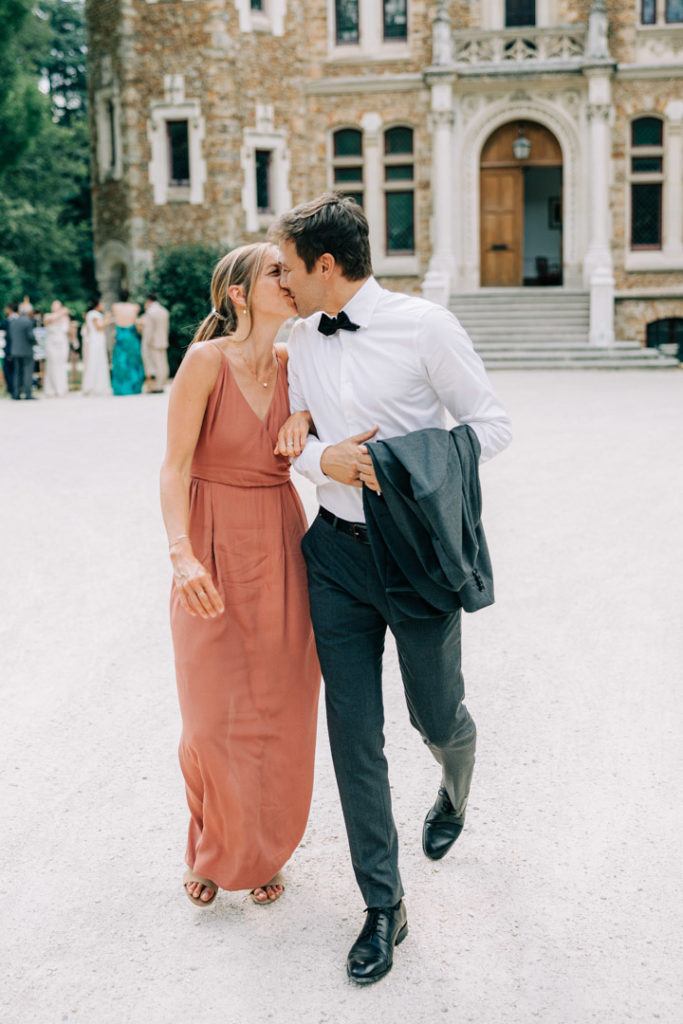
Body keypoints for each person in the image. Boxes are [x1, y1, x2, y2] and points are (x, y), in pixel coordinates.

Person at [270, 193, 512, 984]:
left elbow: (490, 425)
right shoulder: (297, 338)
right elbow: (298, 441)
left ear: (327, 266)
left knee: (434, 714)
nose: (282, 278)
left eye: (289, 266)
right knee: (352, 735)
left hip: (414, 555)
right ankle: (383, 905)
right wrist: (319, 463)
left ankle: (454, 785)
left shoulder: (425, 327)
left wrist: (400, 469)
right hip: (333, 558)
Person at [160, 242, 320, 908]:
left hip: (284, 549)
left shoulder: (299, 365)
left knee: (280, 711)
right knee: (209, 717)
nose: (290, 281)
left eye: (291, 271)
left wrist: (306, 418)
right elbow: (172, 467)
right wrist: (181, 553)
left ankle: (263, 850)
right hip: (211, 547)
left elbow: (346, 426)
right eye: (275, 273)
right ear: (238, 294)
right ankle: (210, 844)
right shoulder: (204, 361)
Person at [110, 288, 144, 395]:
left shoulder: (115, 307)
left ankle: (121, 389)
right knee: (133, 361)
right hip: (131, 336)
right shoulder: (135, 307)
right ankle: (133, 388)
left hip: (120, 336)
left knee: (120, 362)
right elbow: (136, 323)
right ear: (129, 297)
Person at [81, 297, 113, 396]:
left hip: (96, 339)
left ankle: (98, 385)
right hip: (96, 340)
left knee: (98, 361)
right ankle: (94, 386)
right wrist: (107, 319)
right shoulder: (94, 314)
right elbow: (98, 327)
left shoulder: (91, 314)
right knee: (95, 361)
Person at [140, 292, 169, 392]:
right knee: (163, 363)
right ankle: (161, 384)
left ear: (148, 300)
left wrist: (146, 342)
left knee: (157, 364)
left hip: (153, 342)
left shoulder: (150, 312)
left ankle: (157, 386)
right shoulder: (164, 311)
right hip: (162, 340)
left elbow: (149, 330)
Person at [7, 302, 36, 400]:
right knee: (27, 372)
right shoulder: (28, 322)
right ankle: (28, 394)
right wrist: (35, 341)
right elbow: (30, 336)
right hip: (26, 350)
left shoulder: (13, 322)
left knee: (17, 373)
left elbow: (10, 337)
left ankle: (16, 393)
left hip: (15, 350)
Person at [43, 300, 71, 398]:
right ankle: (53, 389)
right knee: (52, 365)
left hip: (62, 342)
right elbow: (48, 321)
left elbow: (67, 330)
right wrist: (61, 313)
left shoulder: (65, 318)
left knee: (61, 365)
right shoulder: (48, 316)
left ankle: (62, 388)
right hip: (51, 343)